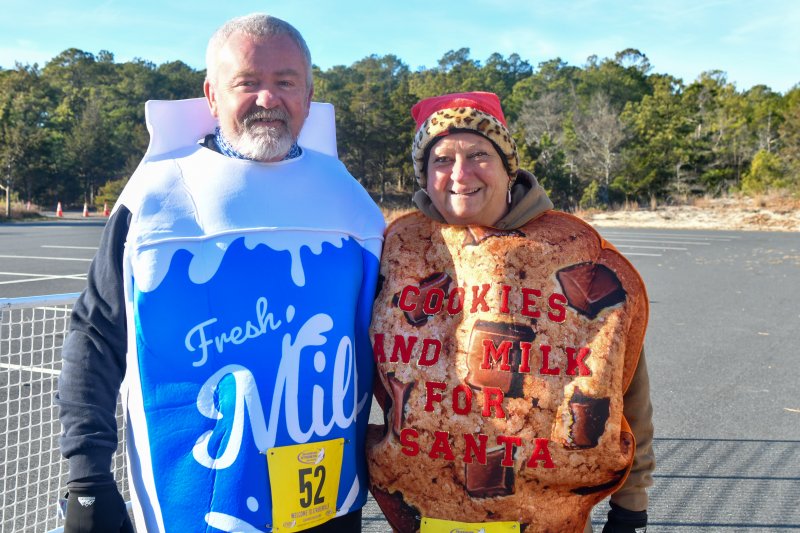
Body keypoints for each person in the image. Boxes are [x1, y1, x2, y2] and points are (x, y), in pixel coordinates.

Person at [56, 13, 384, 533]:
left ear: (309, 93)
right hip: (196, 505)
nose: (267, 99)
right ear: (212, 95)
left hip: (327, 501)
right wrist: (86, 477)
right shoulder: (158, 197)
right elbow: (94, 338)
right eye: (247, 82)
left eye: (285, 82)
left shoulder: (351, 201)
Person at [365, 92, 654, 533]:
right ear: (424, 174)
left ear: (507, 168)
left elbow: (624, 389)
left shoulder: (572, 256)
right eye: (442, 159)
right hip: (427, 513)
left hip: (547, 515)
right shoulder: (398, 252)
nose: (460, 174)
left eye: (479, 154)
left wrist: (631, 508)